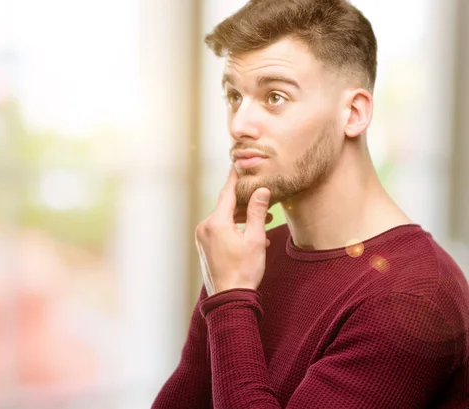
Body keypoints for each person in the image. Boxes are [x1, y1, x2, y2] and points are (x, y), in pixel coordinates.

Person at [151, 0, 469, 408]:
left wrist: (229, 297)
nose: (239, 125)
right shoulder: (246, 258)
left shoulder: (412, 294)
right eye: (234, 95)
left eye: (275, 97)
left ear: (353, 113)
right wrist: (225, 288)